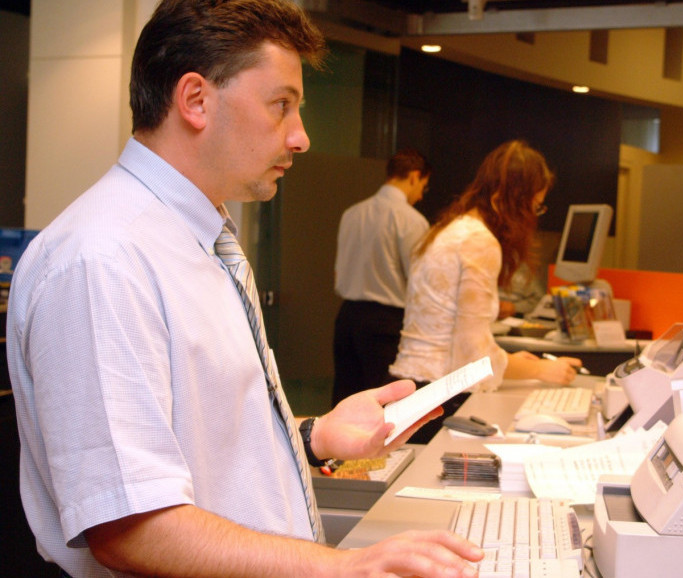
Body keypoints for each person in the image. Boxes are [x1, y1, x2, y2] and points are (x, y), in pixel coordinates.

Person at [5, 1, 481, 577]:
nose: (301, 138)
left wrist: (315, 436)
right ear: (196, 100)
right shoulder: (102, 260)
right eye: (281, 106)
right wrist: (343, 568)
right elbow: (130, 528)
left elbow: (203, 448)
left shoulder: (201, 237)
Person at [389, 140, 580, 442]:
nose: (534, 216)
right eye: (535, 205)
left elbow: (456, 333)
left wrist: (513, 360)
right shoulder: (479, 241)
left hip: (416, 389)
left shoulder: (454, 228)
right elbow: (471, 358)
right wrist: (544, 370)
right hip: (438, 395)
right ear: (517, 201)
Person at [332, 149, 431, 406]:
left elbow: (339, 271)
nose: (420, 195)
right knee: (384, 406)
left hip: (347, 318)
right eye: (423, 186)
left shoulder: (352, 213)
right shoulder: (412, 220)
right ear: (414, 177)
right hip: (384, 322)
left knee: (346, 399)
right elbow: (419, 281)